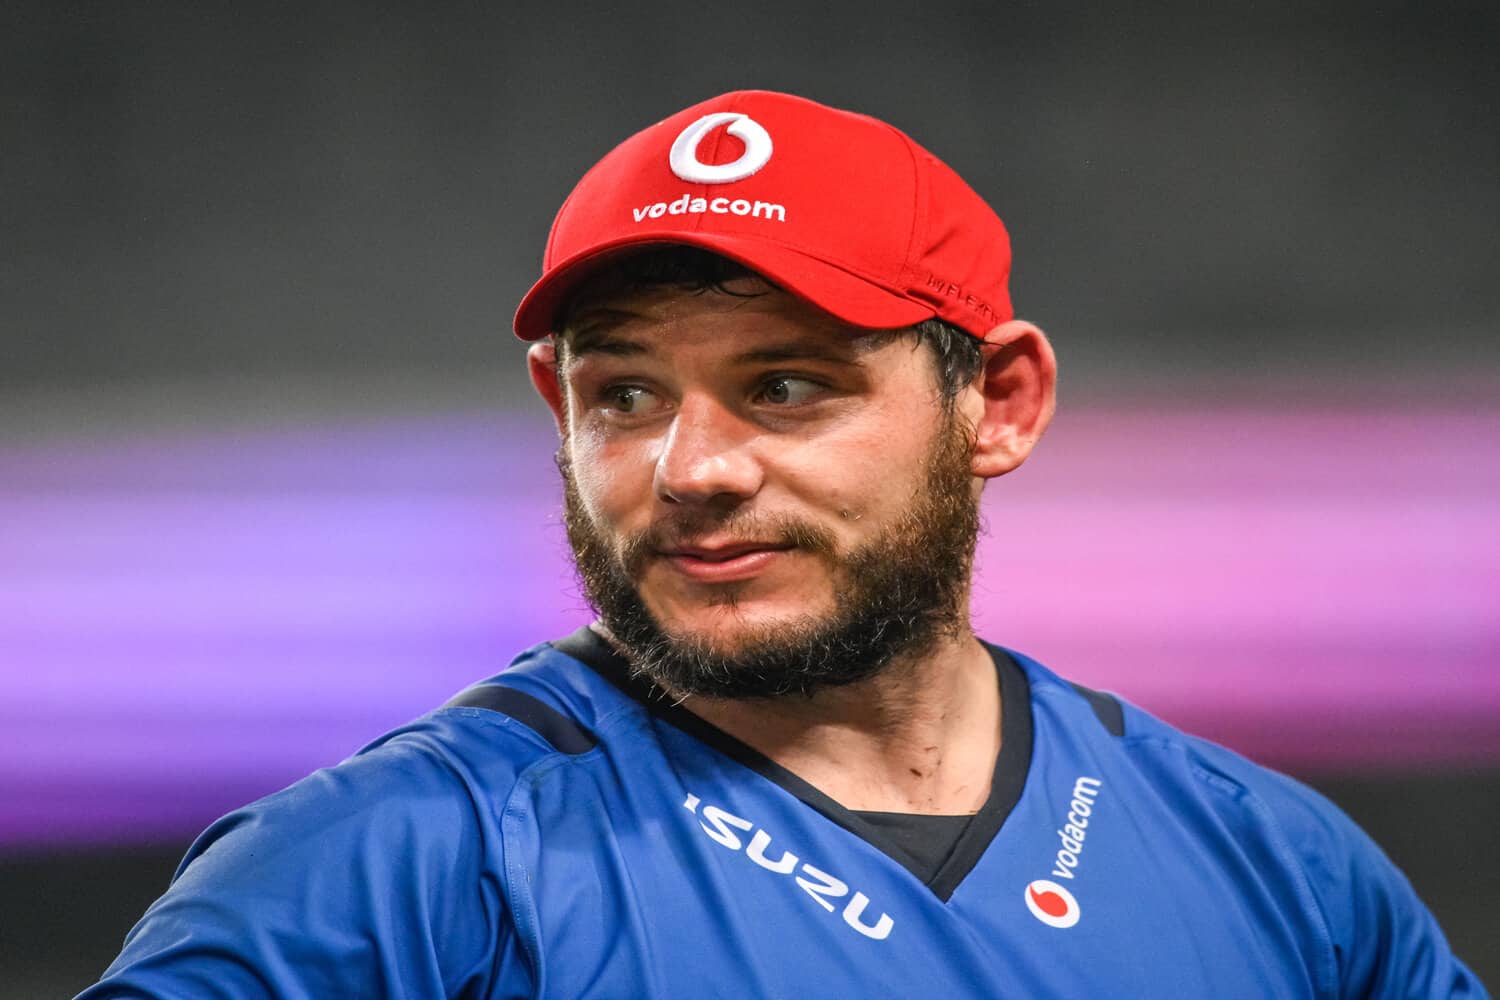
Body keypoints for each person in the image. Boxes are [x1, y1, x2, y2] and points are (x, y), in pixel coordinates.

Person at [81, 90, 1485, 999]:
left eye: (788, 385)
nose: (691, 470)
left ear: (999, 402)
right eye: (624, 395)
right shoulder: (394, 871)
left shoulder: (1275, 866)